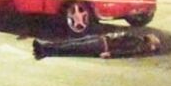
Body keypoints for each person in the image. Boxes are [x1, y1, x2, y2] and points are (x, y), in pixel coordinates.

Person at [33, 32, 162, 59]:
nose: (153, 35)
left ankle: (44, 50)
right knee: (70, 43)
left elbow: (126, 52)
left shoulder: (139, 44)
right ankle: (45, 47)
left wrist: (110, 54)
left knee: (72, 47)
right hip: (101, 39)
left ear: (151, 43)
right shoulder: (138, 38)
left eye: (154, 38)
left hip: (101, 45)